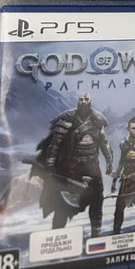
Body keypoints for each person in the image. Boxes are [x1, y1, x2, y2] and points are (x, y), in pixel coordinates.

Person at [31, 93, 113, 237]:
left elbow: (104, 143)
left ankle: (96, 234)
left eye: (86, 99)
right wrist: (50, 164)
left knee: (97, 198)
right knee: (63, 204)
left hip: (92, 165)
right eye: (81, 99)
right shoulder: (66, 120)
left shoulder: (97, 120)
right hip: (71, 167)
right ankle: (57, 235)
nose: (84, 102)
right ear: (78, 102)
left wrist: (109, 161)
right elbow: (55, 145)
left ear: (90, 101)